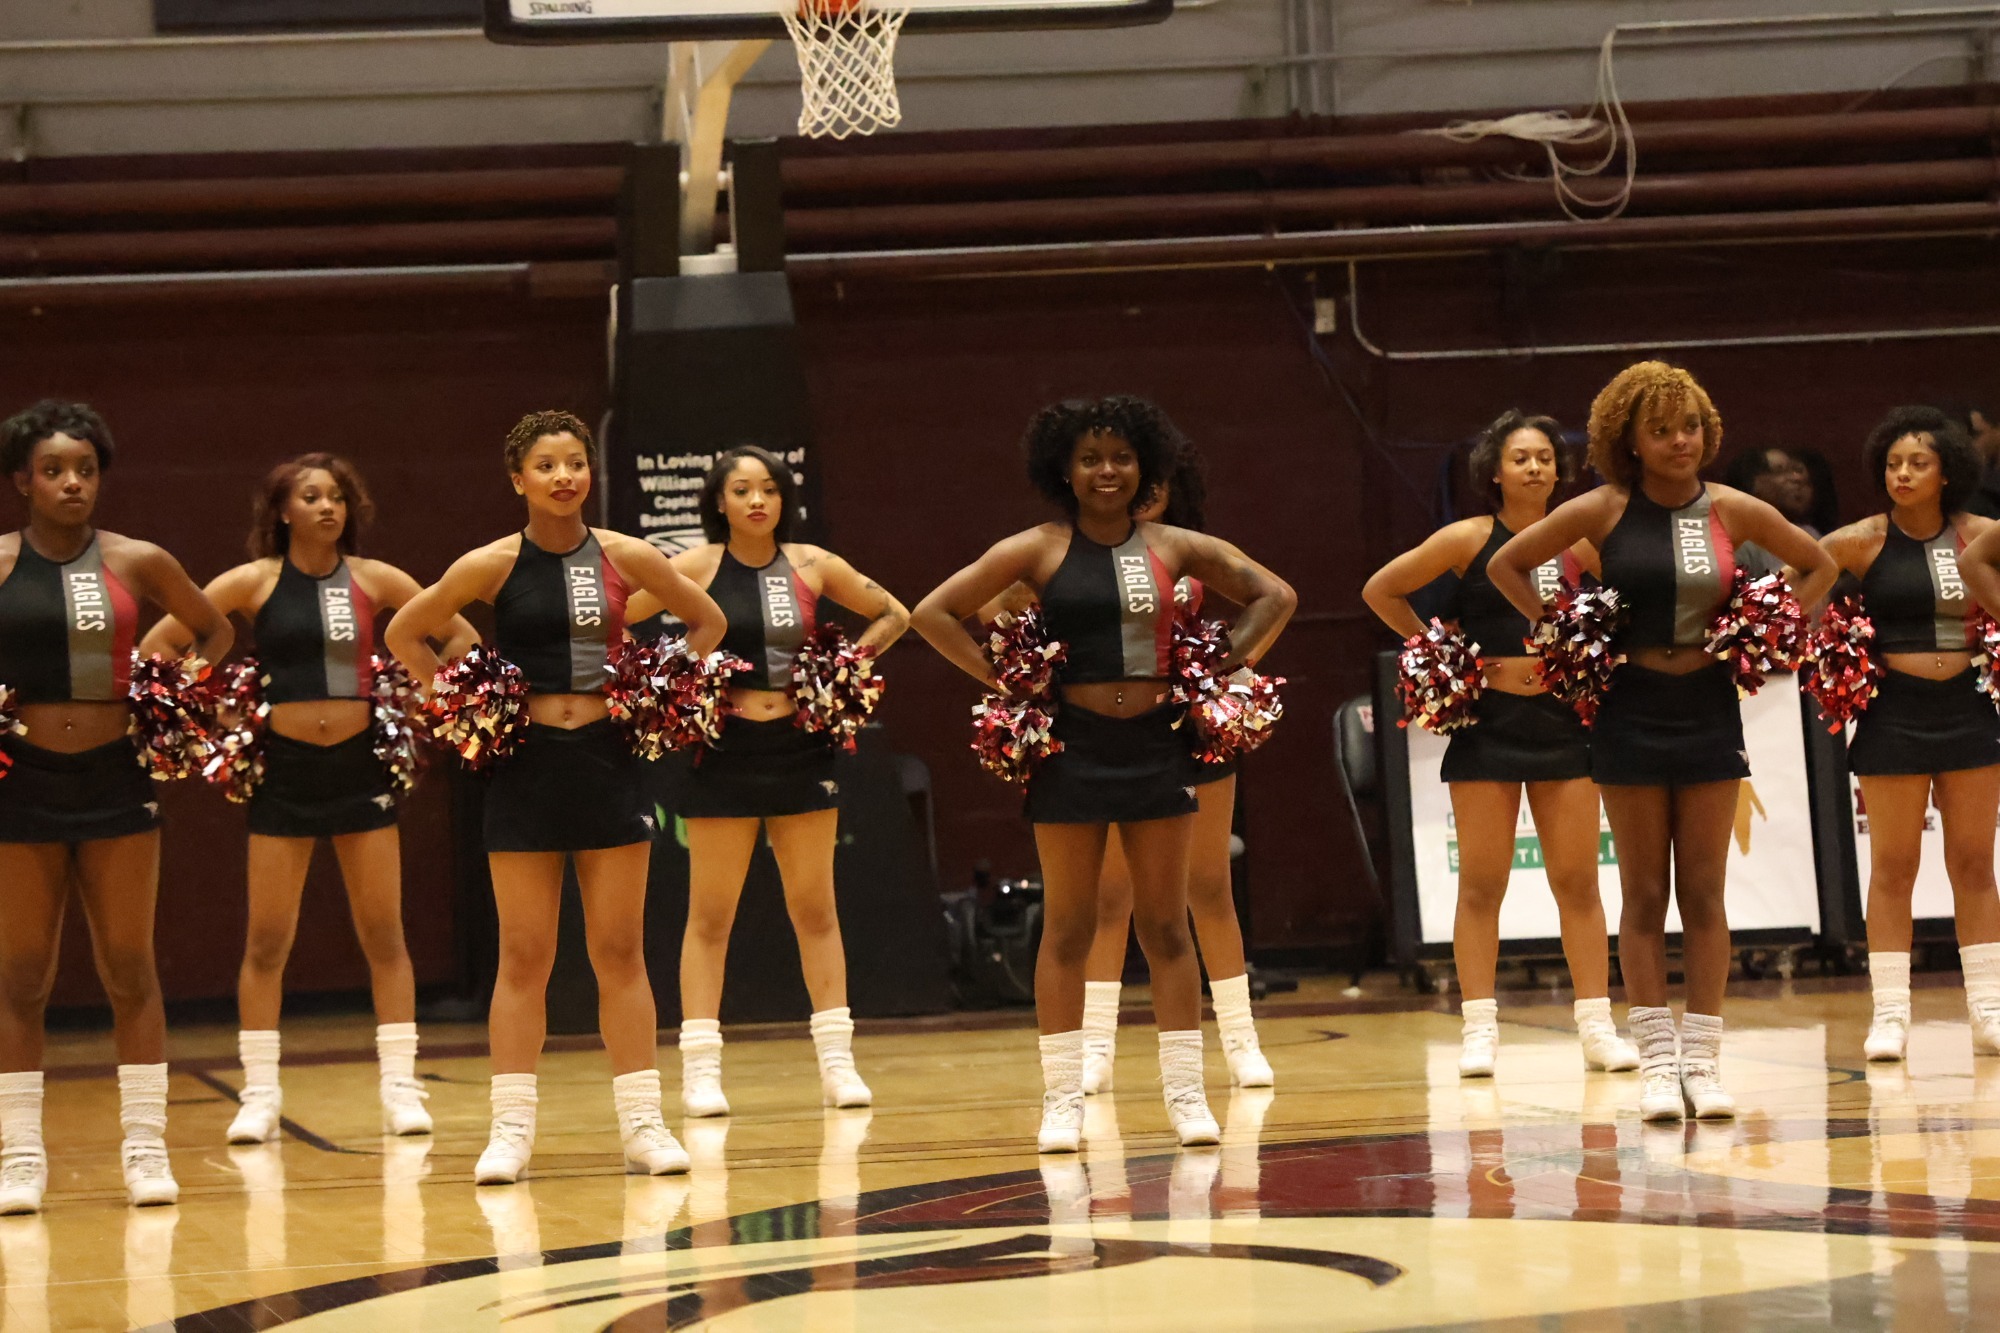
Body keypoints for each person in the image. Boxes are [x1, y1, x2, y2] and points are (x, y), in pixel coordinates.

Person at [910, 397, 1295, 1153]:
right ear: (1064, 468)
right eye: (1090, 458)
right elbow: (933, 612)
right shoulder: (1038, 548)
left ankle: (1185, 1095)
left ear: (1144, 465)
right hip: (1072, 748)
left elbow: (1275, 595)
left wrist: (1219, 662)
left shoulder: (1177, 544)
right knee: (1070, 926)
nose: (1107, 470)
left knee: (1164, 923)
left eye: (1120, 456)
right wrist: (1005, 680)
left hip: (1157, 744)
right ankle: (1061, 1100)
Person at [384, 410, 726, 1185]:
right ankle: (510, 1130)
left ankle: (643, 1123)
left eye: (576, 462)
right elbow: (408, 632)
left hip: (608, 762)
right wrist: (459, 703)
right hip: (525, 766)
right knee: (526, 954)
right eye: (547, 465)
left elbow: (708, 621)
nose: (565, 476)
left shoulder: (628, 554)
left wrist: (654, 690)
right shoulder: (490, 564)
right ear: (517, 479)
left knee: (618, 950)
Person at [1489, 364, 1835, 1123]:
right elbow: (1507, 563)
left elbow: (1820, 565)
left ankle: (1704, 1061)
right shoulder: (1604, 508)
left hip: (1709, 706)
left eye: (1691, 427)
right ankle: (1655, 1061)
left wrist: (1769, 635)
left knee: (1704, 890)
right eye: (1663, 430)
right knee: (1644, 891)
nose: (1682, 441)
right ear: (1631, 442)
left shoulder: (1735, 508)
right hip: (1629, 707)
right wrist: (1564, 635)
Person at [139, 453, 479, 1144]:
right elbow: (162, 643)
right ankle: (259, 1093)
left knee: (384, 934)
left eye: (338, 497)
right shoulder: (254, 581)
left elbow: (460, 639)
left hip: (360, 769)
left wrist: (428, 692)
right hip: (285, 771)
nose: (328, 507)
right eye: (312, 496)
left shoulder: (377, 579)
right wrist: (212, 713)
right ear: (282, 511)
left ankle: (399, 1086)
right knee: (267, 938)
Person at [622, 445, 910, 1117]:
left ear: (784, 499)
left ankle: (837, 1063)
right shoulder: (695, 565)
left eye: (769, 489)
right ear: (718, 502)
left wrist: (843, 669)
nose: (757, 500)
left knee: (814, 908)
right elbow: (617, 617)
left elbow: (895, 612)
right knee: (711, 915)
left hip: (802, 748)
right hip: (721, 751)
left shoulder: (813, 564)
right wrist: (665, 677)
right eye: (742, 489)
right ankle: (700, 1070)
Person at [0, 400, 233, 1211]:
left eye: (86, 470)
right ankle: (20, 1154)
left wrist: (168, 700)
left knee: (129, 966)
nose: (72, 484)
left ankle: (145, 1146)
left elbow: (212, 631)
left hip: (115, 777)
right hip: (18, 781)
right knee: (22, 975)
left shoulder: (138, 561)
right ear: (23, 480)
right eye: (54, 470)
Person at [987, 445, 1276, 1096]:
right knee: (1110, 896)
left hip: (1188, 732)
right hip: (1106, 740)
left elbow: (1269, 602)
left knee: (1206, 886)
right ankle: (1094, 1044)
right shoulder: (1066, 554)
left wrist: (1220, 678)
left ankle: (1240, 1038)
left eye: (1148, 478)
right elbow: (997, 609)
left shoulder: (1188, 550)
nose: (1135, 491)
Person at [1364, 410, 1639, 1079]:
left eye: (1545, 457)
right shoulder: (1468, 538)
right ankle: (1479, 1028)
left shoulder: (1582, 541)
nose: (1536, 468)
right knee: (1482, 883)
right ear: (1494, 470)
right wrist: (1438, 649)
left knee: (1577, 881)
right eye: (1521, 457)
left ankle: (1597, 1025)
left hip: (1562, 724)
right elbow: (1382, 589)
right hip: (1488, 728)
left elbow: (1630, 599)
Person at [1817, 407, 2000, 1063]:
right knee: (1893, 865)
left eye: (1917, 462)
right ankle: (1890, 1014)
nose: (1901, 473)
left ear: (1947, 471)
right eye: (1893, 463)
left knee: (1975, 863)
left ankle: (1988, 1007)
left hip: (1970, 707)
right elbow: (1786, 587)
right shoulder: (1861, 540)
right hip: (1894, 711)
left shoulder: (1983, 535)